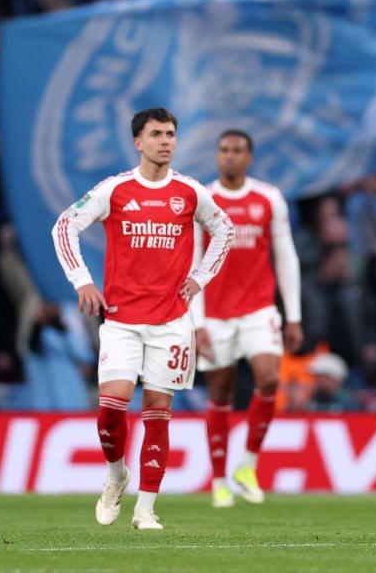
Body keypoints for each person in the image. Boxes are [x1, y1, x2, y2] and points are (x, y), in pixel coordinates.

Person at [51, 108, 233, 530]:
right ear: (138, 142)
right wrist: (82, 281)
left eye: (171, 134)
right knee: (111, 410)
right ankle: (117, 475)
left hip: (171, 322)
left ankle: (146, 509)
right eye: (156, 134)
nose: (166, 141)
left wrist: (200, 278)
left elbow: (224, 229)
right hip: (121, 319)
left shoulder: (189, 192)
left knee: (157, 411)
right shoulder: (116, 190)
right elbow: (64, 226)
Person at [194, 129, 302, 508]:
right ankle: (220, 480)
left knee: (270, 378)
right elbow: (193, 264)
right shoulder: (204, 200)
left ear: (250, 157)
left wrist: (294, 316)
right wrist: (197, 323)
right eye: (223, 150)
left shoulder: (268, 198)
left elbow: (286, 256)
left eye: (238, 151)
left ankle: (248, 465)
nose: (230, 157)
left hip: (258, 309)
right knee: (220, 393)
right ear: (217, 155)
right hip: (216, 314)